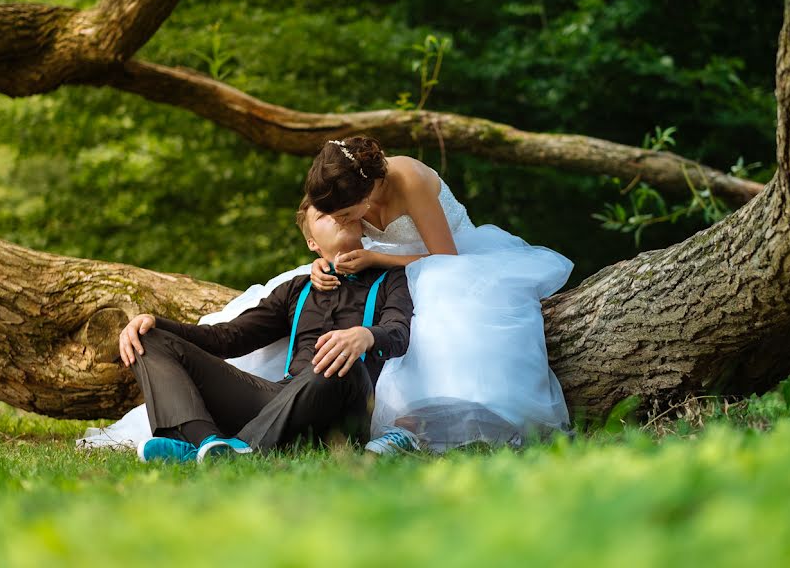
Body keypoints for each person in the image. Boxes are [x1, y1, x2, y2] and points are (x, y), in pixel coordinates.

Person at [304, 136, 575, 453]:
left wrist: (378, 259)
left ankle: (461, 418)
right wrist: (323, 259)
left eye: (345, 215)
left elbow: (446, 258)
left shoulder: (408, 179)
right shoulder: (342, 190)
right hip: (391, 269)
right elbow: (326, 229)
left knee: (440, 306)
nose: (340, 221)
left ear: (365, 194)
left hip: (454, 265)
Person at [112, 200, 413, 462]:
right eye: (324, 215)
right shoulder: (297, 288)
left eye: (343, 211)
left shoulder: (390, 279)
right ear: (312, 244)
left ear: (361, 224)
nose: (337, 216)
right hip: (279, 397)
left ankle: (242, 448)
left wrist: (366, 335)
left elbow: (398, 332)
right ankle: (206, 444)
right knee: (147, 338)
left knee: (335, 362)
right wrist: (155, 322)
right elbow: (227, 338)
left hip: (344, 401)